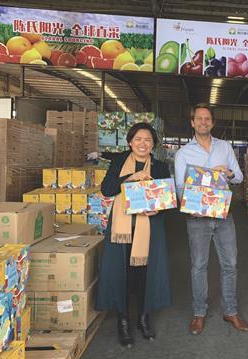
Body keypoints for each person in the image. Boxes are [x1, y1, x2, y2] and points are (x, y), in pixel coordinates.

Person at [174, 103, 248, 335]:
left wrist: (228, 173)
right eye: (199, 118)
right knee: (199, 265)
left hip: (223, 214)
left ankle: (231, 310)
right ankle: (199, 313)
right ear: (192, 122)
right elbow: (178, 186)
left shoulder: (225, 147)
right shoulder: (183, 153)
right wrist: (189, 206)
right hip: (197, 218)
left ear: (213, 123)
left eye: (207, 118)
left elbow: (239, 177)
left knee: (231, 264)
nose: (203, 122)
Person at [96, 122, 171, 347]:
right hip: (122, 228)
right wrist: (127, 178)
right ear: (130, 142)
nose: (142, 143)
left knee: (144, 274)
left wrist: (159, 208)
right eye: (138, 139)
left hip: (150, 226)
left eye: (147, 140)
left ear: (153, 144)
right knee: (123, 273)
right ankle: (123, 321)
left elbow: (168, 198)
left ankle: (143, 318)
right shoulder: (119, 162)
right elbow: (106, 189)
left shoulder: (159, 167)